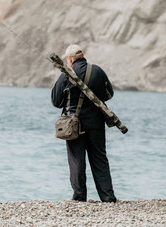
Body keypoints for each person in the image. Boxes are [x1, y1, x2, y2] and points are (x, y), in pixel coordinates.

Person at [51, 44, 116, 202]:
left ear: (70, 59)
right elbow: (109, 94)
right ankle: (107, 197)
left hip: (73, 123)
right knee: (99, 158)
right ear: (82, 56)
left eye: (67, 59)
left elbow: (55, 101)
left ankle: (79, 197)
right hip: (96, 123)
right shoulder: (98, 71)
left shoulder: (67, 74)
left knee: (76, 159)